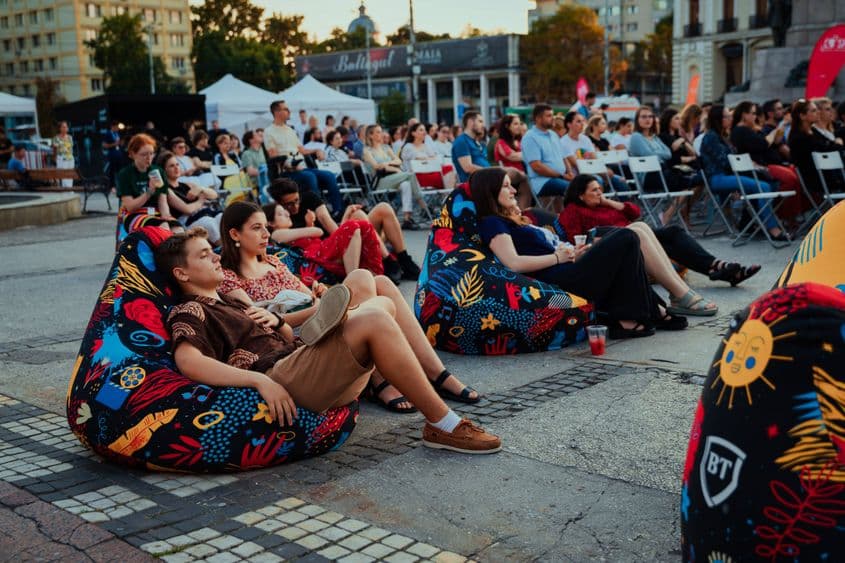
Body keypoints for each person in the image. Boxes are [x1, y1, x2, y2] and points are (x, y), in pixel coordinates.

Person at [156, 227, 500, 453]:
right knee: (376, 317)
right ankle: (442, 423)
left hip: (297, 355)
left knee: (376, 294)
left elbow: (281, 337)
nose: (215, 256)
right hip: (281, 375)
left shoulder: (230, 301)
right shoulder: (190, 309)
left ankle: (337, 324)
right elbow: (189, 361)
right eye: (204, 255)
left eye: (211, 251)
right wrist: (259, 381)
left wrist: (278, 323)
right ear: (181, 273)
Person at [217, 202, 478, 413]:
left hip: (319, 319)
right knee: (363, 285)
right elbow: (264, 322)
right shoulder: (228, 277)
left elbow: (312, 299)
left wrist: (321, 300)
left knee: (377, 281)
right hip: (299, 339)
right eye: (256, 228)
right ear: (234, 234)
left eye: (266, 227)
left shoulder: (275, 262)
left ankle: (436, 373)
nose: (265, 234)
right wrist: (319, 307)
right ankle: (382, 379)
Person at [470, 168, 686, 338]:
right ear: (491, 191)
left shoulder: (511, 219)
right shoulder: (492, 222)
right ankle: (634, 317)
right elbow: (513, 263)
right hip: (557, 279)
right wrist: (557, 257)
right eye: (506, 186)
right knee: (626, 237)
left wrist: (573, 252)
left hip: (566, 265)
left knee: (631, 235)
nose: (514, 191)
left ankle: (647, 312)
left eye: (512, 185)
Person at [560, 174, 760, 287]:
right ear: (580, 195)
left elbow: (635, 212)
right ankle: (720, 268)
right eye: (594, 190)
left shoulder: (605, 205)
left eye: (600, 189)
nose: (600, 193)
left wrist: (611, 202)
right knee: (672, 234)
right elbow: (575, 239)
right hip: (619, 243)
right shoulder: (573, 210)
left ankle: (721, 269)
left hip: (637, 237)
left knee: (673, 239)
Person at [268, 178, 421, 281]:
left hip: (333, 242)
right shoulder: (281, 221)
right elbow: (315, 235)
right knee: (357, 218)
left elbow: (328, 223)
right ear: (278, 203)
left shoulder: (308, 198)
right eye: (288, 204)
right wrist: (311, 224)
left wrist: (345, 221)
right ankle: (388, 262)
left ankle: (401, 260)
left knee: (380, 209)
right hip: (326, 249)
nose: (295, 206)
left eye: (297, 200)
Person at [700, 104, 788, 241]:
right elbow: (726, 162)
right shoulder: (711, 137)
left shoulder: (722, 136)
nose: (731, 119)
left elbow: (731, 159)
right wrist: (747, 165)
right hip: (717, 178)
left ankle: (751, 224)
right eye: (727, 116)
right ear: (719, 119)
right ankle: (773, 229)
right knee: (763, 187)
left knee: (765, 184)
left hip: (728, 176)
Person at [263, 100, 343, 217]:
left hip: (301, 167)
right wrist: (289, 164)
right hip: (286, 171)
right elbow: (273, 156)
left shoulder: (290, 130)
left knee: (329, 175)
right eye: (285, 109)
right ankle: (317, 214)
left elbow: (303, 150)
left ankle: (338, 212)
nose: (289, 111)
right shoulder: (269, 131)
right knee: (309, 177)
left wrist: (317, 150)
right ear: (276, 112)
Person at [263, 201, 384, 278]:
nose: (287, 214)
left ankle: (371, 274)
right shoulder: (276, 234)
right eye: (280, 214)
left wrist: (309, 224)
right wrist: (310, 227)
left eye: (285, 212)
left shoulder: (291, 233)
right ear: (271, 223)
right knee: (352, 226)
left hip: (322, 251)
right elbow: (318, 231)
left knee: (362, 225)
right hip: (319, 255)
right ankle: (354, 279)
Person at [730, 100, 802, 224]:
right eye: (753, 113)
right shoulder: (741, 130)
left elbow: (773, 142)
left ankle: (789, 215)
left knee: (794, 175)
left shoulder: (747, 129)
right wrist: (772, 133)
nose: (755, 117)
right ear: (744, 115)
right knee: (790, 178)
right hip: (757, 169)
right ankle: (784, 215)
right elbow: (762, 144)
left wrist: (774, 132)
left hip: (760, 168)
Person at [453, 111, 531, 208]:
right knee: (517, 174)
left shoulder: (478, 143)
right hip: (477, 181)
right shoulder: (461, 141)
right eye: (480, 121)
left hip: (486, 177)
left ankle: (519, 213)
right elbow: (468, 168)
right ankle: (519, 213)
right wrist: (493, 172)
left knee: (523, 180)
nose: (483, 125)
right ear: (470, 122)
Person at [361, 124, 428, 229]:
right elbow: (377, 166)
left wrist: (387, 164)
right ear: (370, 135)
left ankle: (407, 219)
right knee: (410, 175)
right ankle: (424, 206)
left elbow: (399, 161)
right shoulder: (367, 151)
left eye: (381, 131)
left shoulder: (386, 148)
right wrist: (395, 169)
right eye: (378, 132)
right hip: (380, 181)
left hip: (395, 178)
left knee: (406, 184)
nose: (381, 134)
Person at [158, 151, 222, 244]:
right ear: (164, 170)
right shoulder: (167, 190)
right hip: (188, 221)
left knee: (222, 217)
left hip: (206, 213)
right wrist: (201, 200)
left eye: (177, 164)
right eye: (172, 166)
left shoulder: (187, 185)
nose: (176, 168)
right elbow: (187, 209)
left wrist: (201, 188)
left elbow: (214, 195)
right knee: (209, 224)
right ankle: (225, 249)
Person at [788, 98, 845, 198]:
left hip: (829, 176)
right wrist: (838, 145)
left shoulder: (813, 133)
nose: (818, 112)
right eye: (814, 110)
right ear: (802, 116)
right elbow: (826, 149)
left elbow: (829, 145)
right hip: (819, 180)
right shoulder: (799, 137)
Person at [521, 104, 572, 206]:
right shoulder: (530, 137)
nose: (553, 118)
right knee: (574, 190)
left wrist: (570, 172)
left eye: (552, 115)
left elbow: (563, 157)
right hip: (542, 181)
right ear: (538, 119)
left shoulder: (553, 134)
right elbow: (537, 166)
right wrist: (561, 176)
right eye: (549, 116)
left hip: (559, 178)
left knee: (588, 184)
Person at [115, 133, 172, 225]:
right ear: (133, 154)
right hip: (134, 214)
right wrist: (150, 191)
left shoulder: (158, 171)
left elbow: (162, 200)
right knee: (163, 226)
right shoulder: (125, 174)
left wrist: (166, 215)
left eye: (151, 153)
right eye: (144, 154)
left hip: (155, 212)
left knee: (178, 230)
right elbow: (130, 207)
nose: (149, 158)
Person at [399, 122, 456, 189]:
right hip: (415, 176)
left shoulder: (426, 146)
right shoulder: (408, 147)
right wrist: (429, 159)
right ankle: (448, 192)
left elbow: (435, 159)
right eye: (421, 130)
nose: (424, 132)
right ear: (413, 133)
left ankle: (448, 192)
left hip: (429, 172)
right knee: (445, 175)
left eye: (425, 130)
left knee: (449, 168)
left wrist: (428, 159)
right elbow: (419, 159)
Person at [52, 121, 74, 188]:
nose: (65, 128)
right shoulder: (56, 138)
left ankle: (70, 189)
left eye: (66, 127)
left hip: (70, 158)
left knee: (70, 175)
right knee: (63, 175)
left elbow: (71, 148)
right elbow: (54, 149)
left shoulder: (70, 137)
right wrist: (55, 158)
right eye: (63, 127)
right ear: (60, 128)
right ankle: (65, 190)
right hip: (61, 158)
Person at [102, 120, 123, 187]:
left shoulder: (117, 134)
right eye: (116, 127)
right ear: (112, 127)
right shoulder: (108, 134)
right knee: (112, 171)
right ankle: (112, 186)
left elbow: (118, 143)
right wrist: (114, 144)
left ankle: (120, 185)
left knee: (120, 170)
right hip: (112, 154)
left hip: (118, 154)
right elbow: (104, 145)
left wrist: (120, 143)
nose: (117, 128)